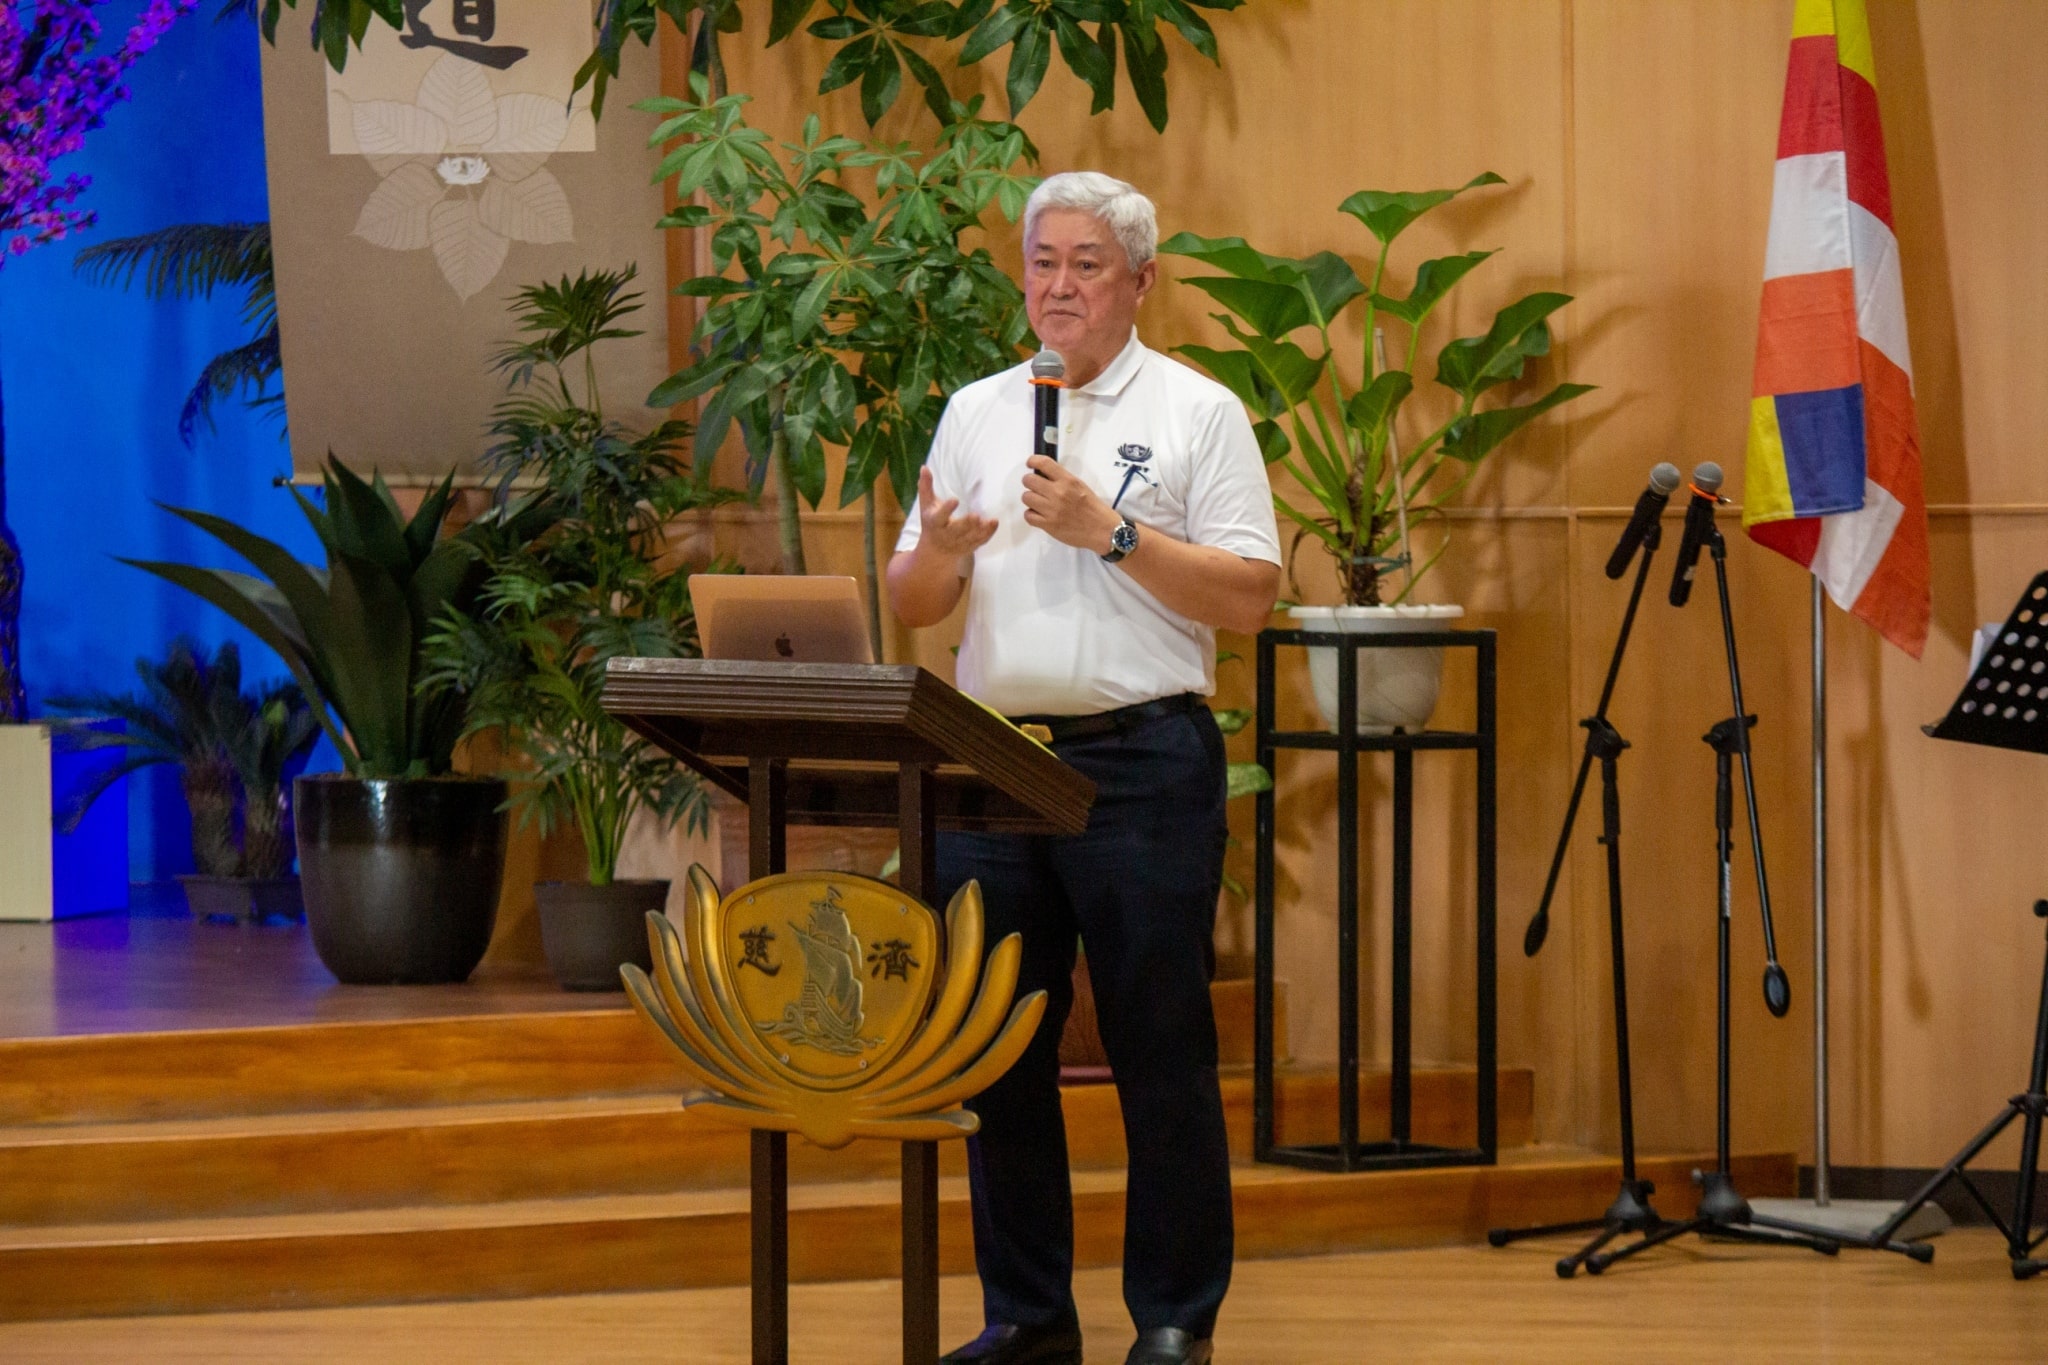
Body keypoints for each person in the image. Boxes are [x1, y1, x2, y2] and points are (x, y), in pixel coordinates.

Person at [886, 171, 1282, 1365]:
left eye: (1085, 265)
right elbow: (909, 601)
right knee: (996, 1050)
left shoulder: (1200, 411)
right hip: (990, 763)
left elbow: (1252, 595)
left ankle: (1170, 1320)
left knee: (1160, 1050)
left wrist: (1107, 533)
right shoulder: (974, 409)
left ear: (1141, 283)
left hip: (1145, 765)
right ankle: (1025, 1319)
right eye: (1042, 261)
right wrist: (943, 556)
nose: (1057, 285)